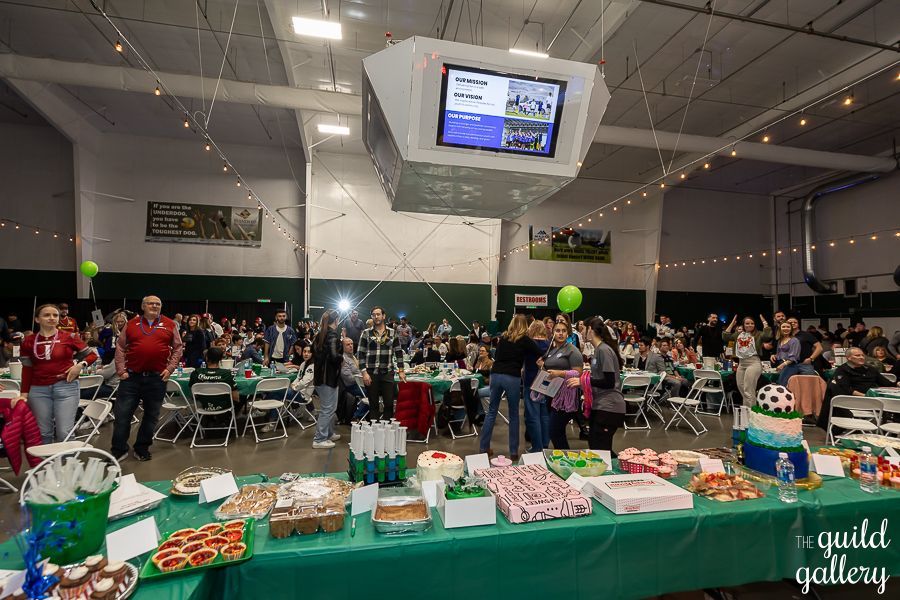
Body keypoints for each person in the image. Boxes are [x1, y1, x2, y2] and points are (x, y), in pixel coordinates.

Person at [112, 296, 183, 461]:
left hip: (156, 378)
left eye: (158, 304)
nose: (154, 306)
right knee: (122, 416)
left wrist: (170, 368)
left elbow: (178, 348)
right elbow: (120, 347)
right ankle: (119, 449)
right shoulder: (131, 324)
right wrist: (121, 370)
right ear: (143, 306)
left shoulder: (170, 324)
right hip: (131, 378)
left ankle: (142, 448)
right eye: (151, 303)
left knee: (151, 417)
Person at [19, 304, 97, 443]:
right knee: (43, 432)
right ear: (37, 319)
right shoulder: (28, 341)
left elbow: (92, 355)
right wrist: (24, 394)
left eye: (55, 315)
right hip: (38, 390)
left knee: (64, 432)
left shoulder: (70, 336)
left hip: (66, 387)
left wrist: (80, 365)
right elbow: (27, 369)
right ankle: (47, 458)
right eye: (46, 315)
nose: (52, 318)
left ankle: (67, 458)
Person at [479, 314, 540, 460]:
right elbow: (539, 352)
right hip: (512, 376)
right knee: (513, 415)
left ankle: (483, 448)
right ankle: (513, 452)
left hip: (496, 374)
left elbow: (498, 356)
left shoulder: (504, 338)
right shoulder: (525, 340)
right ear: (525, 325)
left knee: (491, 412)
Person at [566, 318, 626, 452]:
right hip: (600, 405)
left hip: (609, 406)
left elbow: (609, 382)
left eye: (583, 329)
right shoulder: (598, 350)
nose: (581, 332)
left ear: (590, 330)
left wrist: (583, 381)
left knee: (600, 449)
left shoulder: (603, 350)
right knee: (597, 446)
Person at [817, 347, 898, 430]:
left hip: (875, 402)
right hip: (853, 402)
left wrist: (897, 384)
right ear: (849, 358)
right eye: (857, 355)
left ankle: (891, 430)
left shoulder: (871, 369)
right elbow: (846, 389)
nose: (861, 357)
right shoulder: (842, 370)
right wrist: (866, 397)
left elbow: (887, 384)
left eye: (862, 355)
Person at [538, 321, 584, 450]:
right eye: (557, 331)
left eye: (564, 331)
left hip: (566, 397)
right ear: (553, 333)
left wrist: (560, 373)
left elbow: (578, 373)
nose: (561, 333)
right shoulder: (552, 350)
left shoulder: (572, 350)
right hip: (552, 393)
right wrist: (542, 366)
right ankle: (563, 457)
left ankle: (565, 457)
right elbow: (550, 370)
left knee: (555, 431)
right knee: (557, 432)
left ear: (568, 333)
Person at [357, 307, 406, 420]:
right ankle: (374, 429)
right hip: (371, 374)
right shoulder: (366, 333)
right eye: (373, 315)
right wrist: (364, 373)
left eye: (378, 314)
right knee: (373, 405)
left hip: (387, 373)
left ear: (383, 316)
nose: (376, 317)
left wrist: (401, 370)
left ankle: (386, 428)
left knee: (389, 404)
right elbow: (360, 354)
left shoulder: (392, 332)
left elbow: (399, 353)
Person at [723, 315, 772, 407]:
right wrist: (732, 323)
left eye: (752, 323)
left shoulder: (758, 334)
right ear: (743, 325)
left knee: (748, 390)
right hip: (741, 363)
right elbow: (726, 337)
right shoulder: (738, 334)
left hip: (753, 362)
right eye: (747, 323)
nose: (750, 325)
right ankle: (748, 410)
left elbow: (767, 336)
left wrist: (764, 322)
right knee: (741, 387)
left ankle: (750, 412)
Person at [312, 309, 342, 448]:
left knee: (330, 408)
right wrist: (342, 358)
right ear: (336, 320)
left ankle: (328, 433)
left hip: (322, 378)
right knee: (327, 409)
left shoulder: (320, 335)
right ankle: (319, 439)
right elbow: (335, 356)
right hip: (328, 378)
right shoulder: (332, 335)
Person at [523, 321, 551, 450]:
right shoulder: (549, 344)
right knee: (544, 415)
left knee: (533, 416)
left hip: (531, 381)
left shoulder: (529, 344)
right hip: (546, 381)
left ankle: (537, 447)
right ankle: (545, 444)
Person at [188, 346, 239, 411]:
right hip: (224, 408)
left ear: (206, 358)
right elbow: (235, 397)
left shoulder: (196, 373)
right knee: (242, 397)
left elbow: (192, 393)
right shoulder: (227, 374)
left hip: (203, 406)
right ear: (221, 359)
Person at [771, 322, 801, 386]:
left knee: (782, 384)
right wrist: (774, 356)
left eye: (788, 327)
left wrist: (782, 365)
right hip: (780, 364)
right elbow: (780, 354)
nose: (786, 328)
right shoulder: (780, 340)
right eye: (783, 327)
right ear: (780, 329)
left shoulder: (794, 340)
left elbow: (793, 358)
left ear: (791, 329)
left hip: (790, 366)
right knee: (775, 383)